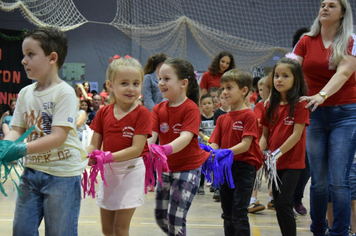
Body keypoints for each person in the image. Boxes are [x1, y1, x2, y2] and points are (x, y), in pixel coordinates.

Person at [2, 26, 88, 236]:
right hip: (31, 173)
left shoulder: (65, 93)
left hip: (62, 176)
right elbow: (16, 129)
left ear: (52, 58)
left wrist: (20, 150)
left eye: (31, 55)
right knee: (21, 230)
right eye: (24, 55)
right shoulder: (24, 93)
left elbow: (58, 137)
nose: (24, 61)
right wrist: (6, 144)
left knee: (60, 232)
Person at [293, 1, 356, 235]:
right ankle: (318, 230)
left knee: (338, 180)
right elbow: (292, 69)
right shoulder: (306, 41)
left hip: (346, 114)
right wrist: (275, 95)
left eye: (332, 5)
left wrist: (322, 94)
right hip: (315, 113)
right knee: (318, 182)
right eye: (322, 5)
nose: (325, 8)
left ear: (342, 14)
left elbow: (344, 72)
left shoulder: (351, 40)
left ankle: (339, 232)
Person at [86, 55, 151, 236]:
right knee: (107, 230)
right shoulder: (103, 112)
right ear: (110, 85)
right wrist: (82, 155)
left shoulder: (142, 113)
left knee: (120, 229)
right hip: (109, 173)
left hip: (131, 172)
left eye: (136, 83)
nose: (131, 89)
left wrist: (106, 157)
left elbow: (136, 149)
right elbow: (94, 146)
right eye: (124, 83)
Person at [147, 58, 210, 235]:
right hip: (166, 170)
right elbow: (151, 136)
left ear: (183, 83)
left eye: (166, 79)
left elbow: (186, 137)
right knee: (161, 218)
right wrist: (140, 150)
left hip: (188, 169)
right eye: (159, 79)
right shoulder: (158, 109)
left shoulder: (191, 109)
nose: (161, 83)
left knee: (175, 218)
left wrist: (164, 149)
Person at [209, 69, 262, 236]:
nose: (224, 92)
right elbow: (215, 142)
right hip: (225, 168)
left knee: (239, 213)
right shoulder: (222, 118)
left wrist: (222, 153)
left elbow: (245, 145)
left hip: (244, 168)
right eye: (222, 88)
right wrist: (210, 153)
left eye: (229, 87)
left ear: (244, 90)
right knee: (227, 214)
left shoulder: (249, 116)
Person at [259, 58, 309, 236]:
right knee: (278, 204)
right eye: (276, 76)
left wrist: (276, 154)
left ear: (296, 79)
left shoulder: (301, 104)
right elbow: (265, 135)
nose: (279, 80)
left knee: (283, 203)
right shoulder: (268, 105)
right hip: (273, 164)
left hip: (292, 163)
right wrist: (258, 154)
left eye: (285, 76)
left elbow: (296, 135)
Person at [197, 93, 215, 195]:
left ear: (213, 104)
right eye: (204, 104)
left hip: (214, 144)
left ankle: (215, 185)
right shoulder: (200, 117)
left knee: (214, 164)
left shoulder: (216, 116)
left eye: (209, 103)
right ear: (201, 106)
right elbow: (198, 130)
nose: (207, 105)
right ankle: (200, 186)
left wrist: (213, 139)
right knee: (202, 166)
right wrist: (204, 137)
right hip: (203, 146)